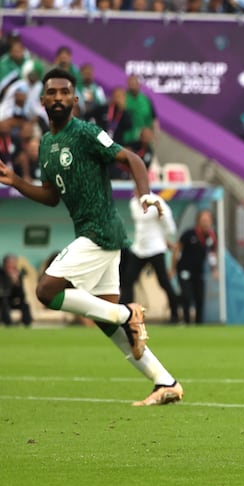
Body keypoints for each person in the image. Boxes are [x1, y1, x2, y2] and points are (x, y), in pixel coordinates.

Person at [0, 68, 183, 406]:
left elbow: (130, 159)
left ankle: (130, 314)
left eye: (64, 92)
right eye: (52, 93)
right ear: (42, 101)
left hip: (99, 231)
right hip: (94, 234)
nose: (58, 97)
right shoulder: (47, 144)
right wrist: (15, 181)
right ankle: (165, 381)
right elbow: (51, 196)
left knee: (45, 290)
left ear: (75, 99)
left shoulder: (85, 133)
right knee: (107, 324)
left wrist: (145, 194)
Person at [120, 190, 180, 323]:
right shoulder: (133, 204)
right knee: (128, 281)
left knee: (163, 281)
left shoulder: (157, 201)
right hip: (139, 248)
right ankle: (126, 316)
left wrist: (159, 210)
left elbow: (170, 227)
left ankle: (175, 315)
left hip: (156, 248)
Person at [170, 209, 218, 324]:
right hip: (184, 270)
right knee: (187, 296)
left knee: (199, 299)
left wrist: (214, 269)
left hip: (198, 272)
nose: (206, 223)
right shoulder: (189, 234)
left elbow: (212, 254)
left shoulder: (211, 237)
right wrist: (172, 268)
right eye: (204, 220)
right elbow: (177, 249)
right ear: (199, 221)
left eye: (208, 220)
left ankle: (198, 324)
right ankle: (186, 322)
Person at [0, 253, 32, 326]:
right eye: (9, 263)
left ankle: (27, 324)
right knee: (4, 301)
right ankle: (8, 324)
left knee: (25, 304)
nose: (12, 265)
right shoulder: (1, 274)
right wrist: (9, 281)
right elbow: (3, 292)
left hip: (12, 301)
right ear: (5, 264)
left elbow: (22, 295)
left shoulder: (18, 274)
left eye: (13, 263)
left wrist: (16, 283)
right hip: (2, 300)